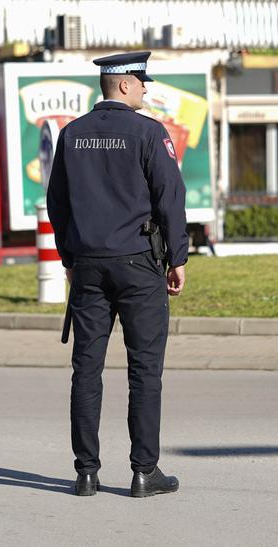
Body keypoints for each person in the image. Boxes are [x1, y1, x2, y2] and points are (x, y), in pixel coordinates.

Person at [46, 51, 188, 498]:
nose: (146, 88)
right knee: (145, 370)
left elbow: (58, 204)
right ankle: (144, 472)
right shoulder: (148, 133)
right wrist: (178, 258)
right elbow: (170, 197)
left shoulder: (72, 134)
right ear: (124, 84)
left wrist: (70, 257)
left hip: (87, 266)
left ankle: (86, 472)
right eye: (142, 81)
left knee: (86, 370)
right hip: (138, 265)